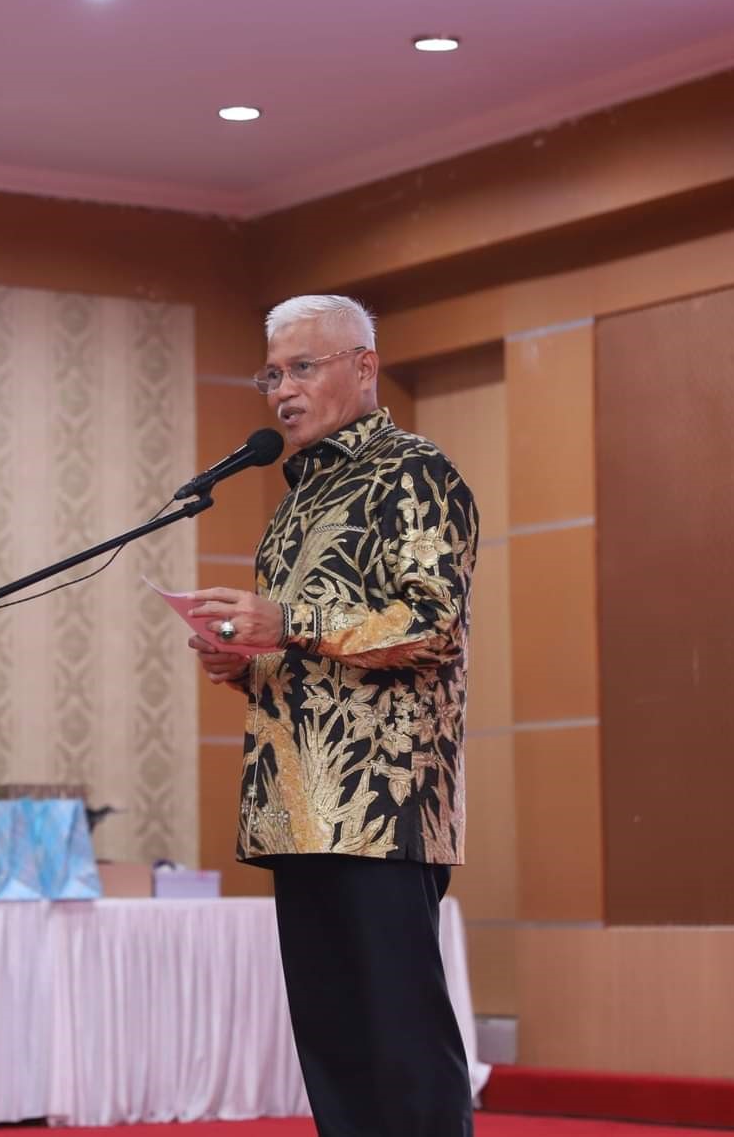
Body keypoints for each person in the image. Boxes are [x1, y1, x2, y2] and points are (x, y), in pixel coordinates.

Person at [188, 294, 478, 1137]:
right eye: (272, 374)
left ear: (364, 366)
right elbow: (320, 657)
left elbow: (433, 625)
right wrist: (246, 666)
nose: (282, 390)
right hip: (295, 807)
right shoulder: (294, 505)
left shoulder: (415, 472)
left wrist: (287, 622)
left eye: (302, 368)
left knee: (402, 1046)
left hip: (383, 805)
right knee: (336, 1054)